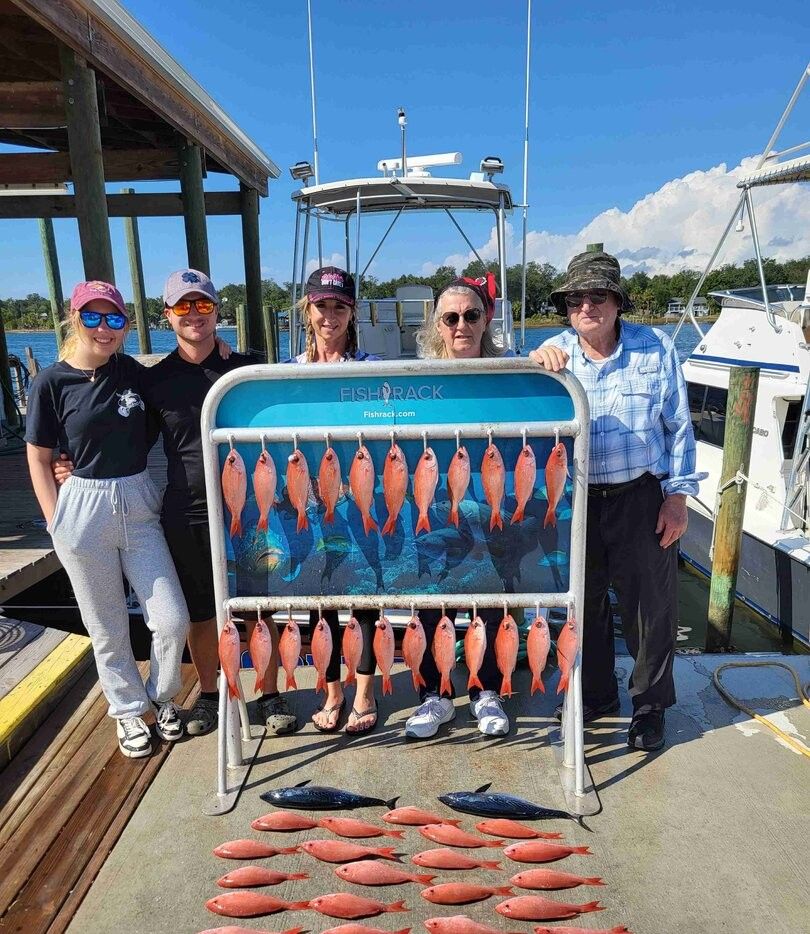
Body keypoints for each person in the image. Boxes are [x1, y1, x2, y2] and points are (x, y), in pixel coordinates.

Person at [53, 270, 297, 738]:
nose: (193, 314)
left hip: (253, 509)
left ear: (217, 311)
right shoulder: (154, 380)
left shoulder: (247, 371)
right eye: (183, 306)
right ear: (167, 315)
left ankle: (268, 693)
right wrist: (71, 466)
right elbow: (120, 435)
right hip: (186, 510)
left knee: (258, 608)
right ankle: (208, 692)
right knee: (200, 612)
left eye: (202, 304)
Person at [529, 250, 703, 752]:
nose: (586, 306)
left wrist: (677, 498)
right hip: (577, 498)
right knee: (582, 604)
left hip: (640, 495)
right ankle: (595, 694)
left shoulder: (657, 347)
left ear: (617, 301)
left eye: (597, 296)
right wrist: (535, 365)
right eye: (574, 299)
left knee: (650, 606)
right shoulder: (554, 353)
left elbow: (679, 427)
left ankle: (649, 706)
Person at [26, 281, 190, 759]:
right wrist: (56, 520)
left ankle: (161, 696)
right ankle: (127, 710)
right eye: (92, 317)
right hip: (81, 506)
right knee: (106, 626)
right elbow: (39, 458)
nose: (104, 328)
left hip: (137, 500)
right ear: (74, 318)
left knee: (171, 619)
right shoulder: (51, 382)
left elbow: (180, 376)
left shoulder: (133, 372)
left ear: (126, 325)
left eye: (114, 318)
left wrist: (219, 347)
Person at [406, 273, 511, 740]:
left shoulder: (513, 374)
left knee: (492, 598)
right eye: (450, 318)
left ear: (487, 319)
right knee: (433, 598)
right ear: (437, 326)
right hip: (438, 505)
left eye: (471, 315)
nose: (461, 325)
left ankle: (488, 690)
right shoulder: (418, 381)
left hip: (491, 503)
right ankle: (435, 694)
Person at [289, 266, 380, 733]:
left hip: (359, 496)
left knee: (363, 597)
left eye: (339, 306)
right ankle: (331, 691)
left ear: (353, 311)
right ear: (307, 310)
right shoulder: (286, 373)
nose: (330, 315)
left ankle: (364, 692)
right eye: (321, 306)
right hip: (311, 498)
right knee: (319, 599)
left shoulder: (373, 368)